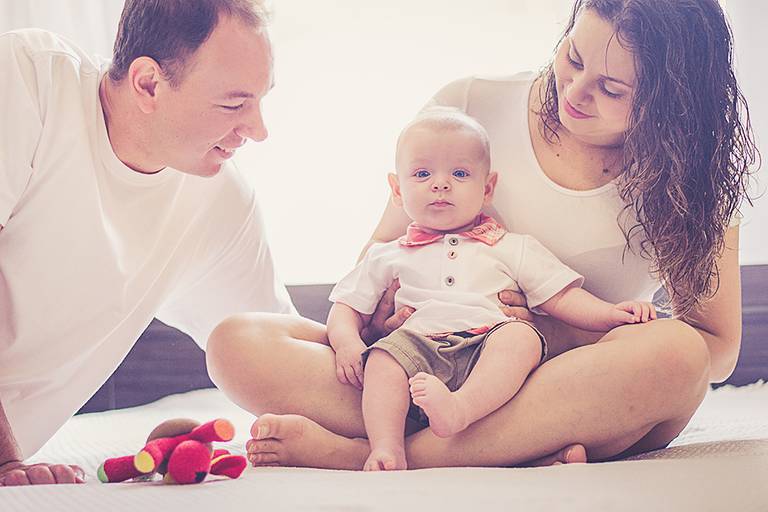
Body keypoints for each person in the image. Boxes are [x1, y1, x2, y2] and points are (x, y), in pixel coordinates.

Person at [207, 0, 756, 470]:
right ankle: (496, 447)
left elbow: (718, 348)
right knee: (237, 344)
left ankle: (376, 454)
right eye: (574, 56)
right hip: (423, 356)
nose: (575, 91)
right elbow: (381, 253)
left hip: (571, 384)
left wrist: (554, 331)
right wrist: (380, 319)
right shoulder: (469, 106)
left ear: (670, 104)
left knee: (677, 356)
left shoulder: (693, 178)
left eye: (610, 89)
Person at [0, 0, 293, 486]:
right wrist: (6, 460)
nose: (258, 131)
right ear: (148, 84)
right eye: (234, 104)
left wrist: (379, 330)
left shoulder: (217, 196)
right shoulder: (29, 82)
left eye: (261, 101)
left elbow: (277, 357)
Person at [327, 108, 656, 470]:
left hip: (486, 343)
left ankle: (460, 410)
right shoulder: (386, 255)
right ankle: (387, 449)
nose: (440, 184)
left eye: (460, 173)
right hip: (415, 347)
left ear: (487, 188)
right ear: (397, 190)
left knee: (521, 338)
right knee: (381, 360)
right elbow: (347, 306)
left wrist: (609, 313)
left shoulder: (511, 246)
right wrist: (348, 344)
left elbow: (560, 295)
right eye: (422, 173)